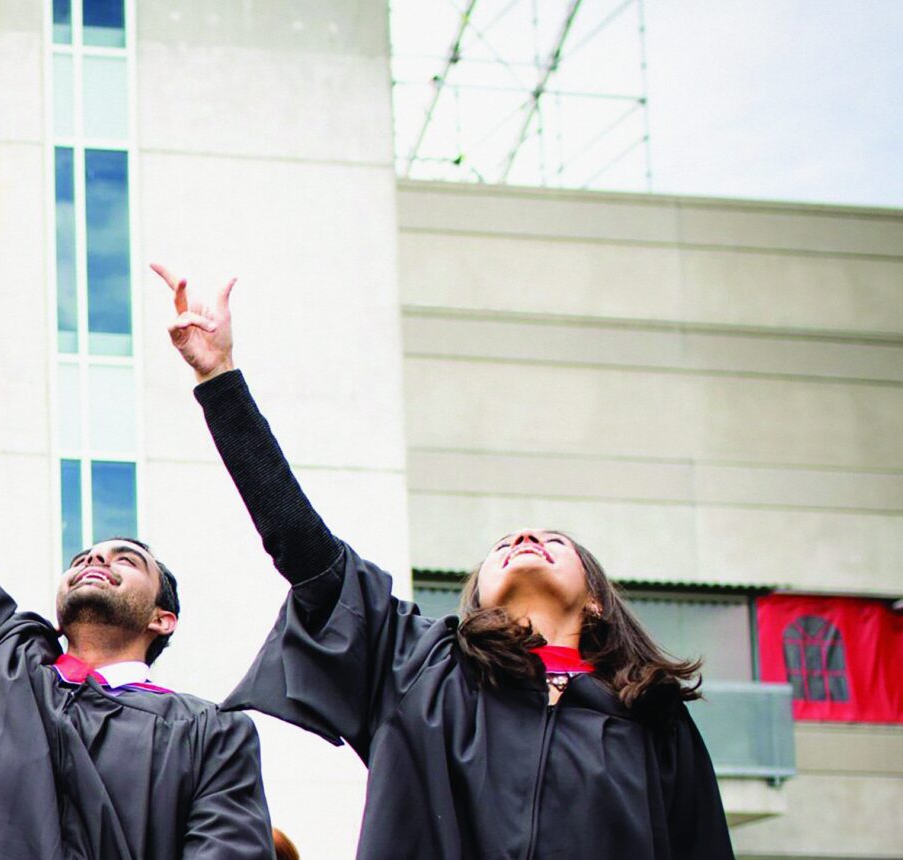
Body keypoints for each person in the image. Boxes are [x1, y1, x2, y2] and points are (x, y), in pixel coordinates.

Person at [151, 264, 732, 858]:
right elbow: (301, 544)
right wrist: (219, 378)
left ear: (596, 598)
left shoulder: (652, 723)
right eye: (503, 544)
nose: (527, 536)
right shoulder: (415, 668)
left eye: (555, 541)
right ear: (478, 594)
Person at [0, 239, 272, 859]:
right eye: (83, 559)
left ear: (163, 617)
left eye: (126, 559)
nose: (95, 560)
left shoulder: (210, 735)